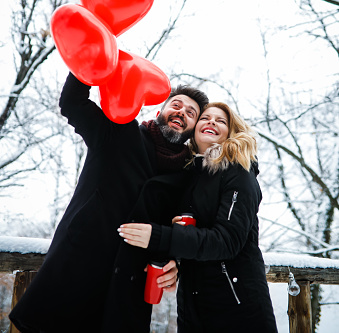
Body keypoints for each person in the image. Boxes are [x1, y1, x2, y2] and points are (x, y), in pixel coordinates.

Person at [9, 72, 209, 333]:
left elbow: (177, 230)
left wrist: (174, 263)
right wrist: (91, 63)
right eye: (176, 104)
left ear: (193, 129)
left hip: (127, 290)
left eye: (191, 113)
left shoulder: (187, 177)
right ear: (161, 109)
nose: (182, 112)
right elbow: (73, 102)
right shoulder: (119, 132)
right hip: (76, 272)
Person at [119, 102, 278, 333]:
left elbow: (227, 241)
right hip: (192, 309)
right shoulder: (189, 177)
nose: (211, 122)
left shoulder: (239, 172)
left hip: (238, 307)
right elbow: (192, 237)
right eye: (205, 118)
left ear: (231, 132)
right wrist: (174, 264)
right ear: (194, 130)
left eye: (221, 120)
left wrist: (161, 237)